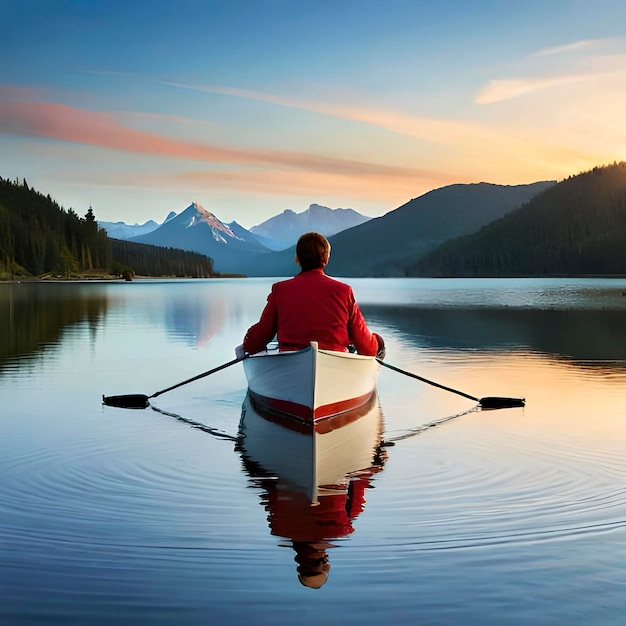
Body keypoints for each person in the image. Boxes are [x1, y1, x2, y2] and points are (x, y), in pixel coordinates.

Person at [239, 232, 385, 357]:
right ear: (326, 258)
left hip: (289, 362)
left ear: (297, 259)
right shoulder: (344, 291)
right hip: (336, 361)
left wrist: (248, 341)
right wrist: (378, 343)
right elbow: (367, 347)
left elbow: (255, 343)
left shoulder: (280, 290)